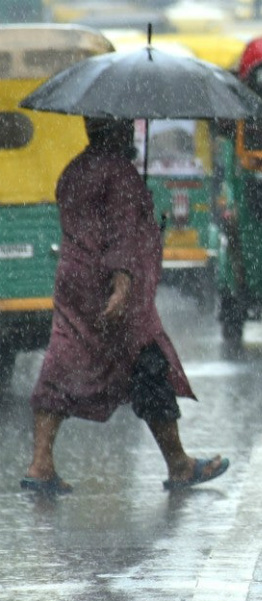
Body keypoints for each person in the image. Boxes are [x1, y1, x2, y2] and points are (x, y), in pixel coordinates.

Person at [20, 117, 229, 495]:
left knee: (60, 362)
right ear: (114, 132)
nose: (132, 134)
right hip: (110, 286)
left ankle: (40, 463)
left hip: (72, 281)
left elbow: (87, 224)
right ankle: (179, 464)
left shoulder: (74, 170)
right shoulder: (120, 173)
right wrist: (122, 281)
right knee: (148, 363)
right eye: (126, 129)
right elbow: (119, 233)